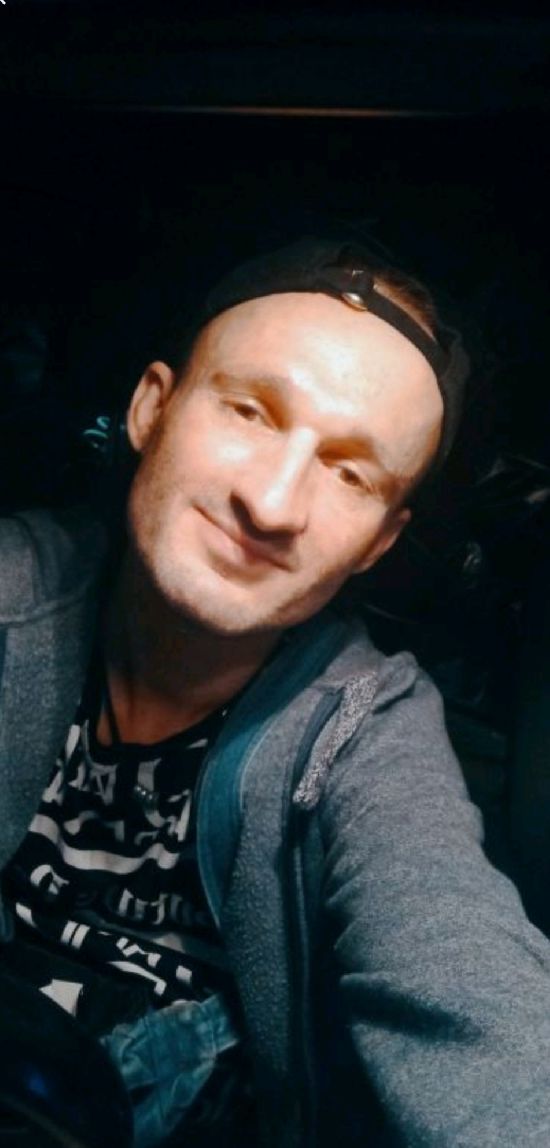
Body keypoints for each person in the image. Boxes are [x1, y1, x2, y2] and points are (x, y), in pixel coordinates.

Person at [2, 236, 550, 1148]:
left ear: (379, 542)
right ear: (150, 408)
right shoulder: (16, 586)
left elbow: (463, 967)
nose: (274, 503)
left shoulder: (370, 729)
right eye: (251, 411)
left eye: (349, 472)